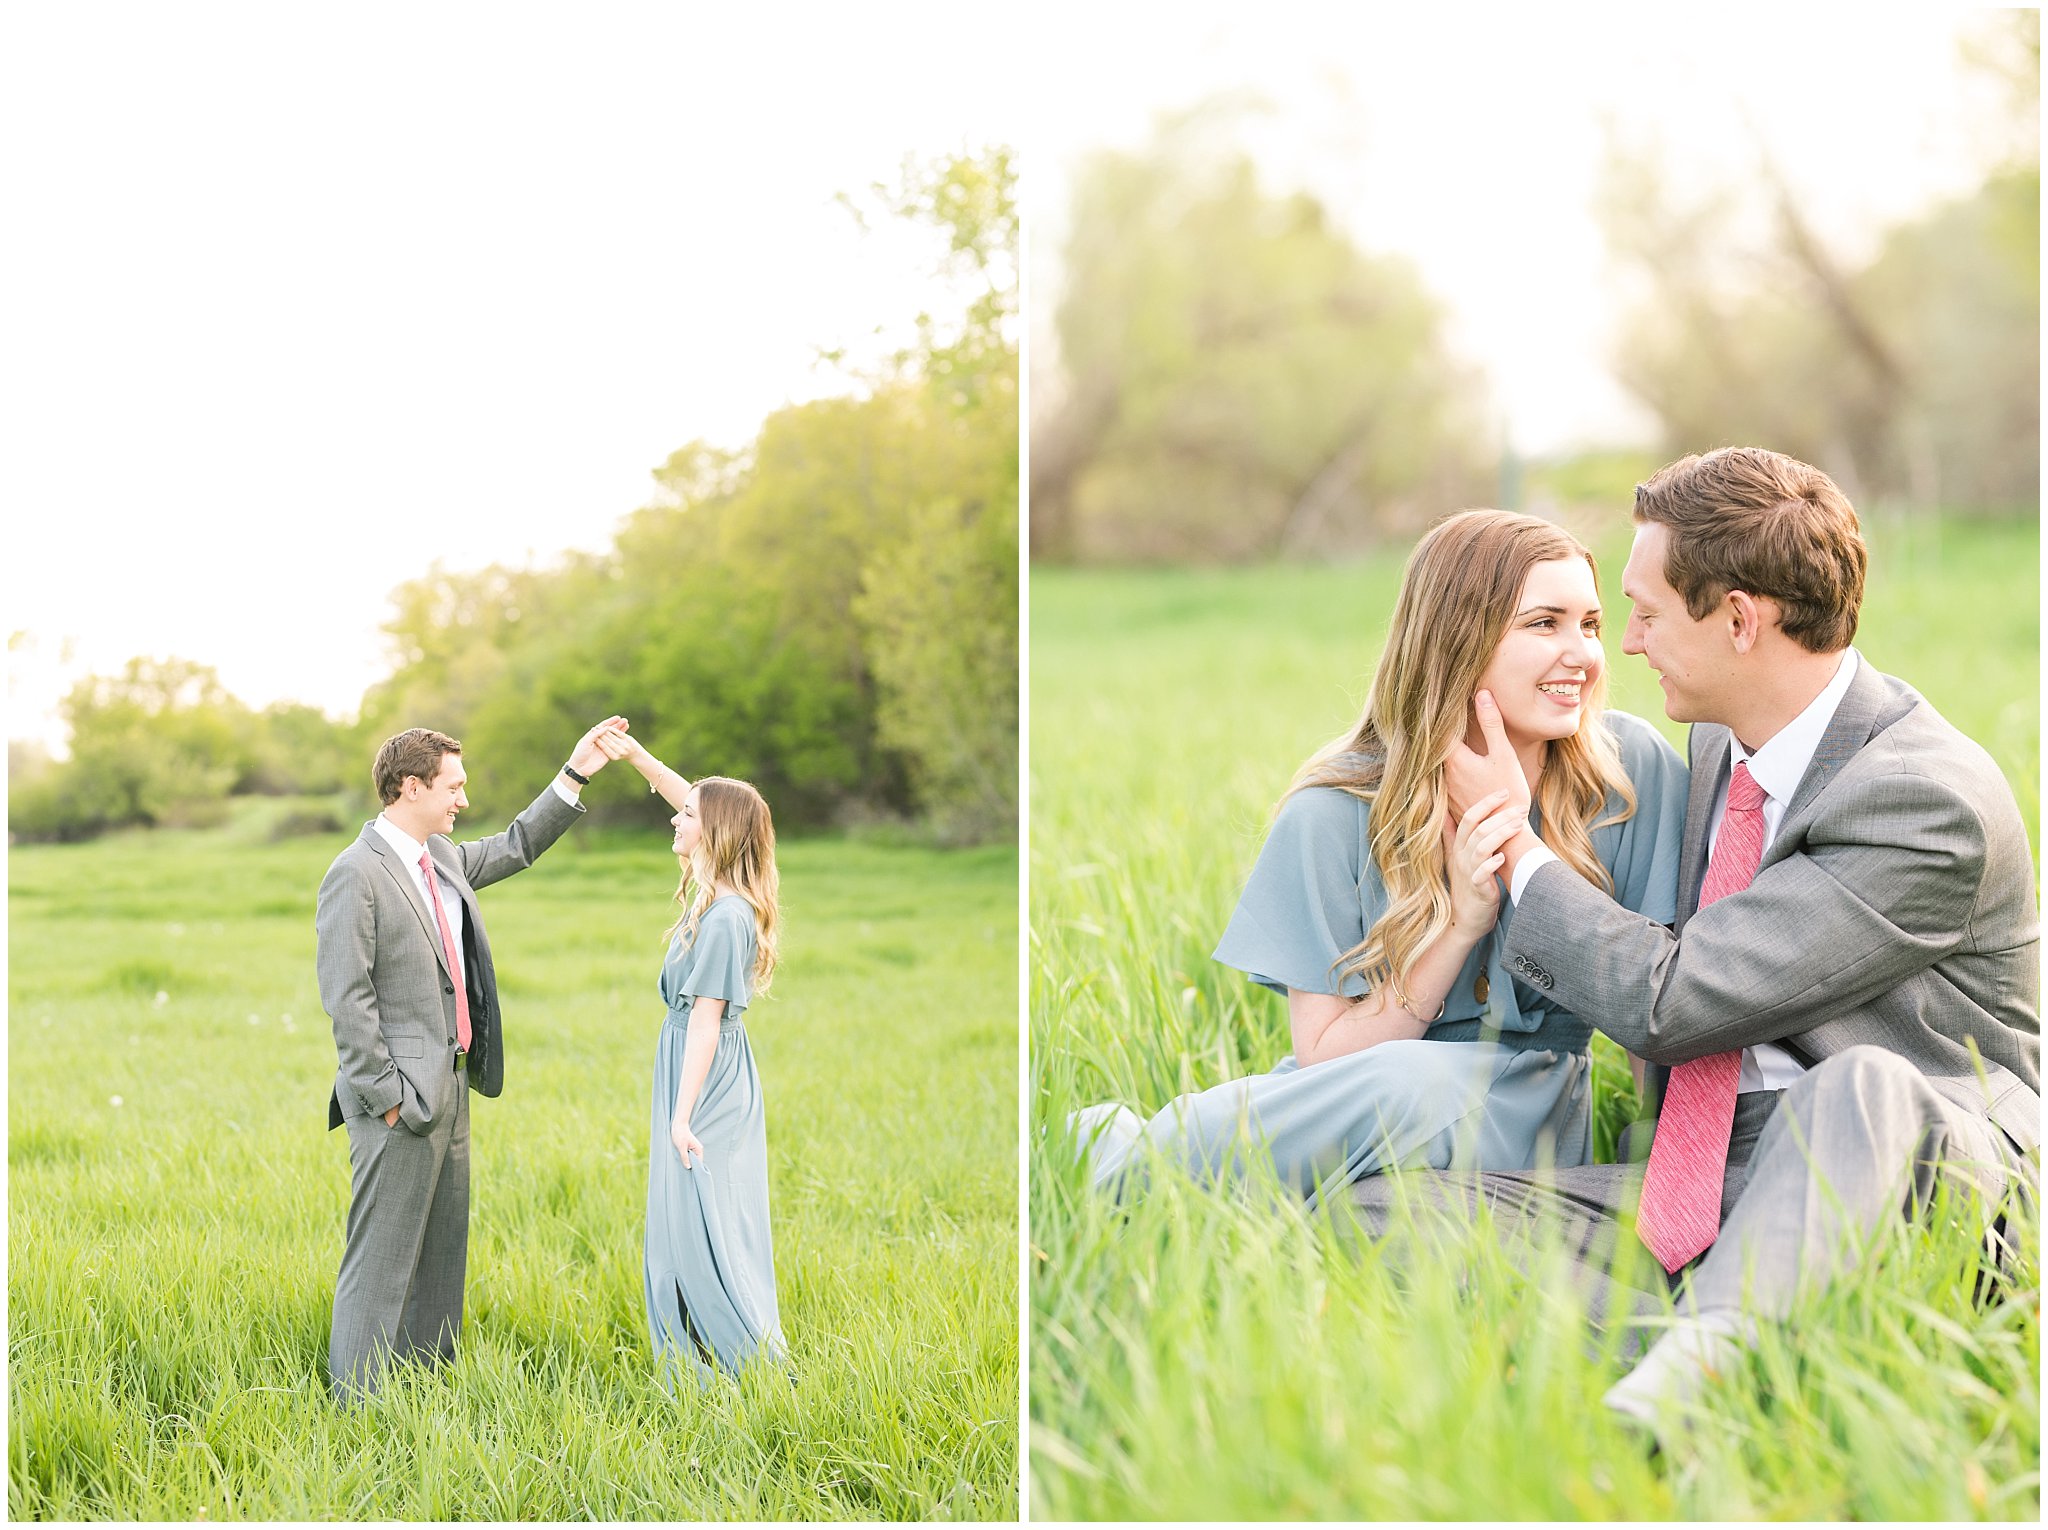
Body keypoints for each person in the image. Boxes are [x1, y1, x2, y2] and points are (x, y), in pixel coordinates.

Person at [1426, 447, 2039, 1428]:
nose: (1622, 645)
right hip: (1721, 1172)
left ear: (1739, 619)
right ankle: (1754, 1339)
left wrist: (1517, 850)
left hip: (1916, 1170)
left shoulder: (1927, 803)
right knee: (1381, 1210)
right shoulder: (1718, 742)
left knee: (1861, 1082)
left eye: (1645, 612)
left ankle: (1696, 1382)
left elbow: (1672, 1001)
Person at [1073, 510, 1689, 1207]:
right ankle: (1098, 1159)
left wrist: (1668, 1186)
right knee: (1342, 1109)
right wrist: (1459, 926)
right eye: (1544, 623)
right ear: (1460, 637)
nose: (1581, 653)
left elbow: (1656, 1020)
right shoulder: (1334, 809)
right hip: (1362, 1091)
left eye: (1590, 624)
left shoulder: (1628, 774)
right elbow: (1326, 1064)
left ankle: (1109, 1164)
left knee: (1406, 1088)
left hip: (1525, 1110)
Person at [317, 718, 625, 1398]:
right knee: (382, 1260)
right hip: (399, 1100)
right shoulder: (355, 875)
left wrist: (574, 772)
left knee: (440, 1254)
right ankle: (358, 1405)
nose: (462, 798)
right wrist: (388, 1096)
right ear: (411, 786)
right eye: (453, 787)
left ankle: (425, 1389)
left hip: (453, 1085)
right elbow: (347, 997)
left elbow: (518, 845)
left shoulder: (444, 860)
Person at [595, 726, 788, 1381]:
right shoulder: (717, 898)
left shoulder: (727, 917)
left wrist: (681, 1117)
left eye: (686, 818)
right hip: (692, 1064)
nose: (674, 820)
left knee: (706, 1217)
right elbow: (703, 802)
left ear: (714, 834)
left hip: (704, 1078)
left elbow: (705, 1023)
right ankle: (706, 1355)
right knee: (690, 1216)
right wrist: (637, 758)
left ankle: (742, 1361)